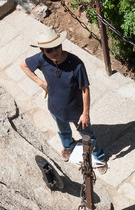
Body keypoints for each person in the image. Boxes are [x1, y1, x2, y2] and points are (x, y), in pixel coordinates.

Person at [20, 28, 108, 174]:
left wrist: (85, 113)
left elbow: (85, 90)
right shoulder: (42, 59)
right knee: (63, 130)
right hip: (55, 107)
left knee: (88, 136)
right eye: (49, 50)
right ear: (42, 50)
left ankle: (99, 157)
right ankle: (68, 146)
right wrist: (41, 83)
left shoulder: (76, 64)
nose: (54, 52)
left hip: (76, 110)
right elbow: (23, 65)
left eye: (57, 47)